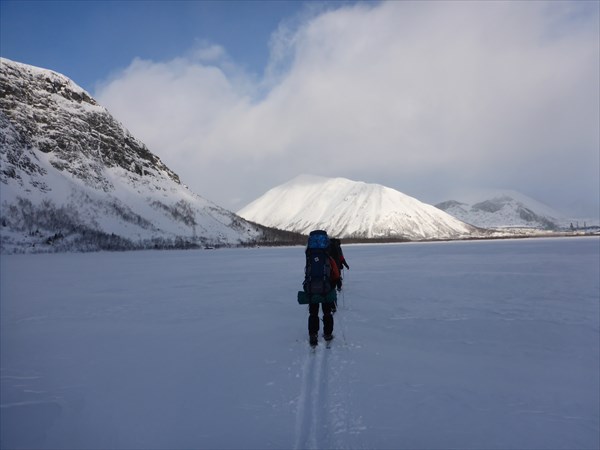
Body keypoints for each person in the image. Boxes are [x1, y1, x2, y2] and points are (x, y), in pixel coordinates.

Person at [303, 230, 340, 346]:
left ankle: (313, 335)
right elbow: (336, 274)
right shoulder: (328, 259)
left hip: (312, 289)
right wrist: (332, 286)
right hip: (326, 288)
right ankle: (328, 334)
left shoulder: (310, 258)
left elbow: (307, 273)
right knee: (327, 312)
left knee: (313, 313)